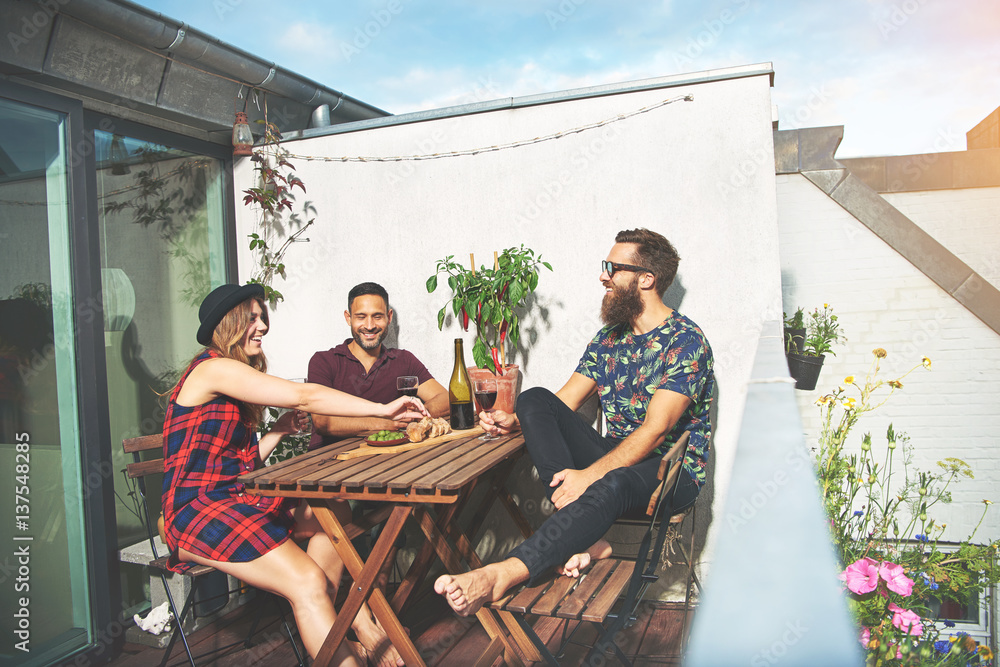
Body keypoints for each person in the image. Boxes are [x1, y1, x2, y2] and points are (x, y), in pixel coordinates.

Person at [435, 228, 715, 616]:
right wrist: (513, 420)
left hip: (672, 472)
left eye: (612, 268)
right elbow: (564, 401)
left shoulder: (686, 342)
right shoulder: (609, 339)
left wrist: (589, 476)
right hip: (619, 456)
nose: (603, 276)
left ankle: (503, 573)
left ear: (646, 279)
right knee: (534, 398)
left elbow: (656, 430)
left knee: (612, 479)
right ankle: (586, 537)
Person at [162, 283, 426, 666]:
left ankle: (335, 620)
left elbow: (239, 462)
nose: (263, 326)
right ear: (229, 324)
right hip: (197, 511)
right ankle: (333, 623)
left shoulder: (228, 377)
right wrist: (384, 410)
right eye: (252, 318)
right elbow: (306, 396)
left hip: (235, 496)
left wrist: (277, 432)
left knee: (331, 509)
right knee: (307, 581)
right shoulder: (213, 369)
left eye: (262, 317)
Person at [308, 282, 449, 450]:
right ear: (348, 318)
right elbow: (322, 422)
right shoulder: (324, 361)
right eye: (361, 317)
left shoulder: (404, 360)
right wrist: (386, 422)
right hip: (327, 463)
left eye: (377, 316)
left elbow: (445, 398)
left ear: (389, 317)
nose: (369, 326)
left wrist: (414, 415)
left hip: (390, 462)